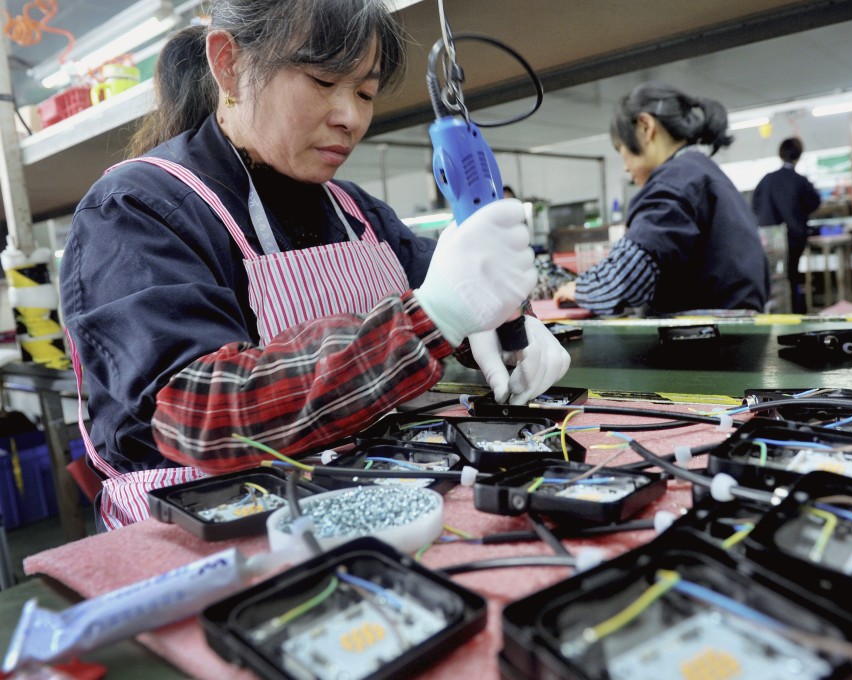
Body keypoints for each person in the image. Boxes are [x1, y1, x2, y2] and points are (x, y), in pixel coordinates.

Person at [60, 0, 569, 529]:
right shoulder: (138, 209)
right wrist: (431, 319)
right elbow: (199, 414)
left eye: (366, 92)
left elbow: (442, 283)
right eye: (324, 81)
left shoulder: (355, 211)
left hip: (362, 509)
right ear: (229, 63)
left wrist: (504, 321)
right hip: (211, 539)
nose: (351, 116)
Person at [553, 83, 769, 315]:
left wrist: (579, 289)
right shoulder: (704, 173)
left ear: (645, 126)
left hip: (704, 341)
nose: (625, 167)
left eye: (621, 149)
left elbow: (624, 282)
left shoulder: (675, 181)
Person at [752, 137, 821, 313]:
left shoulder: (767, 180)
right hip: (793, 237)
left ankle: (776, 312)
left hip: (770, 239)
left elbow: (754, 205)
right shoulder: (799, 181)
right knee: (792, 276)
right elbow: (814, 203)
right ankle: (795, 312)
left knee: (772, 277)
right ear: (798, 156)